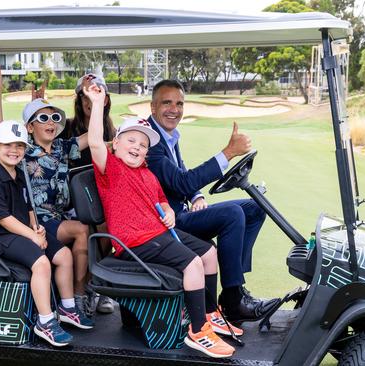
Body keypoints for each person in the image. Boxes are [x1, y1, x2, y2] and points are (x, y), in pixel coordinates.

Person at [85, 83, 236, 358]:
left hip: (158, 234)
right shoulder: (110, 169)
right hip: (134, 242)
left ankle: (210, 313)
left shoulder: (147, 174)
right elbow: (95, 141)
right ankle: (198, 330)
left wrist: (167, 211)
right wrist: (97, 104)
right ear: (116, 143)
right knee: (192, 264)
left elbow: (162, 200)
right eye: (131, 140)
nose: (137, 147)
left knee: (209, 253)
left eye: (143, 145)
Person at [145, 79, 276, 323]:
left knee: (255, 208)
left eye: (179, 103)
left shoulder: (168, 135)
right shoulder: (150, 142)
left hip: (180, 211)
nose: (174, 109)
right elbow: (181, 182)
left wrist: (197, 195)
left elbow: (179, 175)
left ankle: (236, 283)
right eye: (167, 103)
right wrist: (228, 153)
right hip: (166, 222)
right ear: (153, 107)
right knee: (232, 214)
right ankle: (233, 298)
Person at [0, 120, 94, 347]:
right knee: (42, 263)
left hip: (21, 231)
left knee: (64, 257)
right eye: (8, 145)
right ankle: (45, 322)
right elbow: (4, 219)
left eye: (19, 146)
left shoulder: (17, 173)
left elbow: (28, 206)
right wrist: (32, 236)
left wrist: (36, 226)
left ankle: (68, 308)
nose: (14, 151)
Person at [21, 97, 93, 317]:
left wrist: (97, 103)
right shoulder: (23, 151)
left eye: (54, 117)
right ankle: (77, 298)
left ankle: (89, 289)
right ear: (30, 127)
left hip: (58, 215)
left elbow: (92, 137)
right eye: (43, 118)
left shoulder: (61, 147)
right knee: (82, 229)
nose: (51, 122)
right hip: (37, 219)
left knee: (98, 225)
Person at [59, 73, 117, 314]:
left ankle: (100, 284)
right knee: (98, 224)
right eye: (84, 95)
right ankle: (92, 287)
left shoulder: (112, 129)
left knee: (109, 227)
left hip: (102, 196)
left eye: (95, 94)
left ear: (105, 98)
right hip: (74, 199)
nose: (89, 100)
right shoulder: (68, 129)